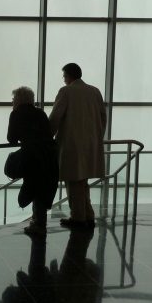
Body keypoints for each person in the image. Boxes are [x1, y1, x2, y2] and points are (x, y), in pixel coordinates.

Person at [49, 63, 106, 229]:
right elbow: (103, 118)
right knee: (83, 182)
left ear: (68, 76)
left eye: (64, 76)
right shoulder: (95, 91)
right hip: (91, 144)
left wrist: (48, 136)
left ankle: (78, 217)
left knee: (73, 182)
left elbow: (55, 117)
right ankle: (88, 215)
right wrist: (97, 137)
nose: (64, 80)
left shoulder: (66, 92)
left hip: (71, 145)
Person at [6, 86, 59, 236]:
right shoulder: (40, 113)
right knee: (42, 188)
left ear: (18, 99)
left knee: (34, 186)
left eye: (13, 99)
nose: (12, 101)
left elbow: (11, 139)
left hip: (32, 157)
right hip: (49, 155)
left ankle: (39, 224)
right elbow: (48, 133)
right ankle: (38, 222)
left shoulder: (16, 114)